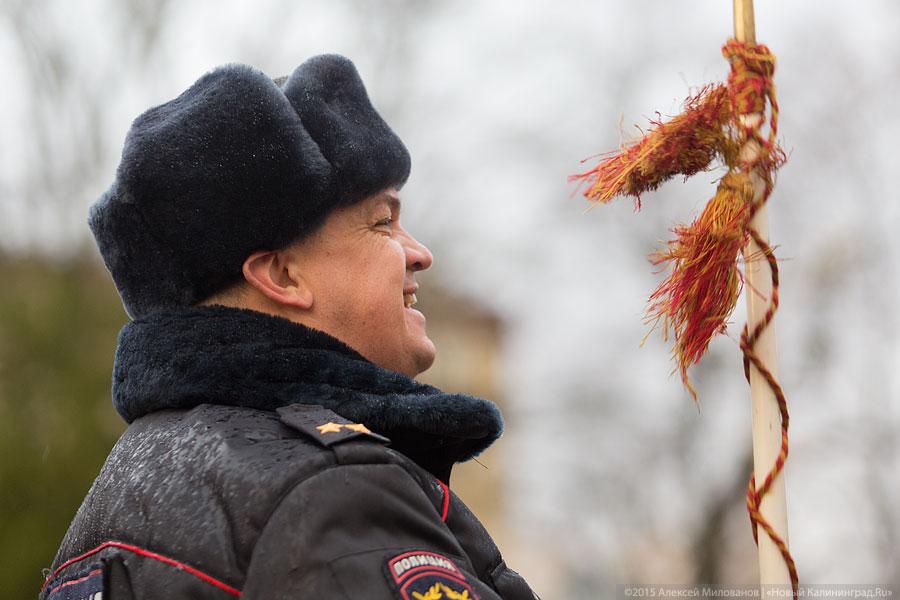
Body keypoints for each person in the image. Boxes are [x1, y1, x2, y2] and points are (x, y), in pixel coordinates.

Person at [39, 55, 537, 599]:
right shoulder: (333, 490)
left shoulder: (122, 488)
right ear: (281, 274)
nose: (420, 254)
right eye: (383, 221)